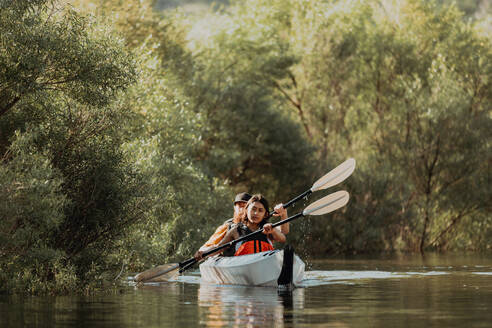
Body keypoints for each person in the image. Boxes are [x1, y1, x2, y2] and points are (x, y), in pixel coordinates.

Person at [194, 192, 289, 259]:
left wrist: (274, 229)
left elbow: (283, 238)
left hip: (265, 264)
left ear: (265, 214)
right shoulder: (235, 230)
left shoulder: (269, 228)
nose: (256, 213)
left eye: (260, 210)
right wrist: (204, 253)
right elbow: (219, 247)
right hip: (244, 265)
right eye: (253, 209)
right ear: (246, 210)